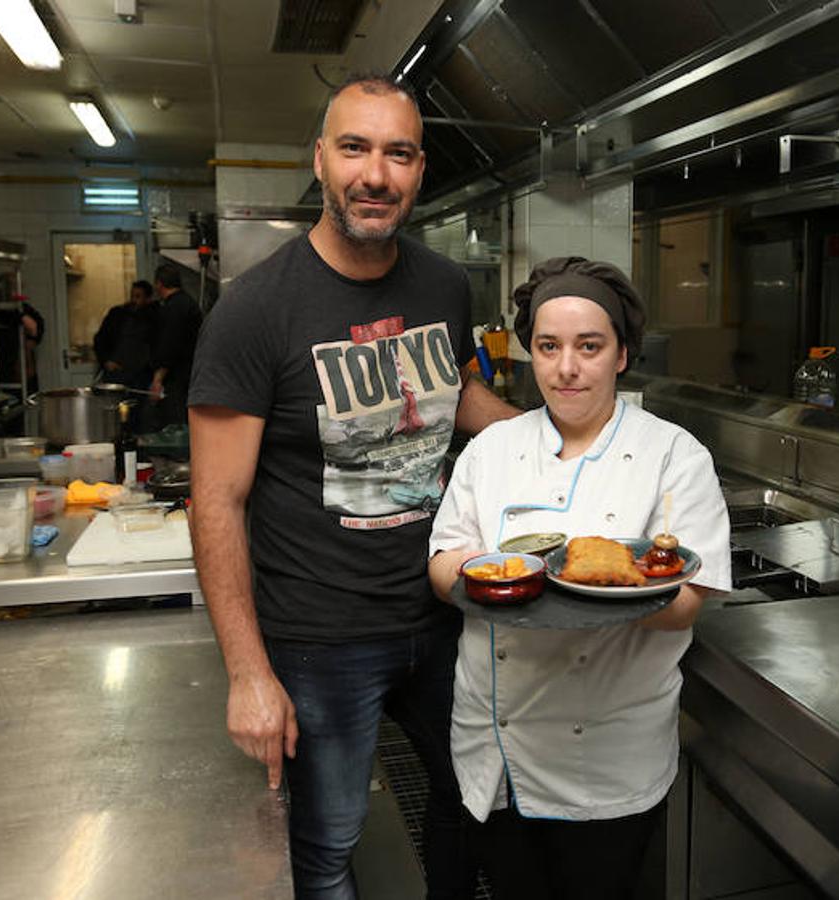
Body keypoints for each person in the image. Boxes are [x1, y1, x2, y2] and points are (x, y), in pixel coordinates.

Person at [189, 72, 518, 899]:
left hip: (443, 608)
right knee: (330, 841)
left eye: (398, 153)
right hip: (318, 634)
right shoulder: (255, 310)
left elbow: (448, 390)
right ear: (322, 161)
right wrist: (248, 674)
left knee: (468, 800)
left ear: (418, 171)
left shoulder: (444, 285)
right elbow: (216, 501)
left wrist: (554, 432)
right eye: (355, 148)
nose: (376, 174)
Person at [426, 257, 733, 900]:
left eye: (589, 347)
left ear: (622, 355)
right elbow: (444, 562)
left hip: (606, 758)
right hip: (495, 746)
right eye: (548, 347)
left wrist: (576, 593)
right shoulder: (491, 450)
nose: (566, 368)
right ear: (528, 354)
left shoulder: (673, 455)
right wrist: (485, 575)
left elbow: (684, 603)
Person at [150, 264, 202, 427]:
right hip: (191, 374)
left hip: (177, 377)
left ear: (159, 283)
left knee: (174, 425)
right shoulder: (187, 302)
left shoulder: (173, 308)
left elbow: (169, 346)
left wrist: (158, 379)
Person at [93, 279, 159, 391]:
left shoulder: (154, 318)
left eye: (138, 296)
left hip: (141, 377)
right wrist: (106, 361)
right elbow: (100, 339)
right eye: (132, 296)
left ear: (148, 299)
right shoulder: (118, 315)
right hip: (116, 373)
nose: (134, 300)